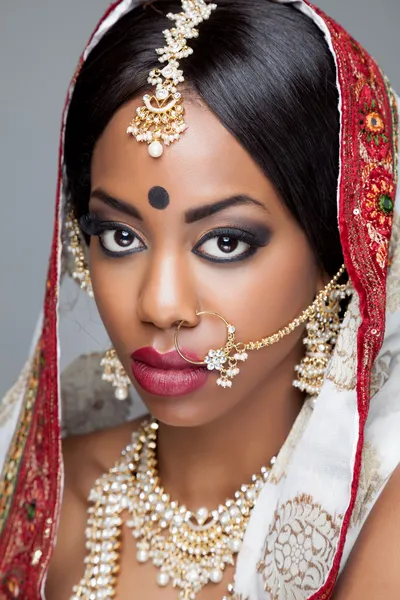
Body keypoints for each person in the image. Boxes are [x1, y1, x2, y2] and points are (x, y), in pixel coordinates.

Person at [1, 0, 399, 598]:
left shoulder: (377, 529)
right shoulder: (39, 497)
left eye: (226, 241)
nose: (161, 307)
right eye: (120, 236)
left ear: (338, 255)